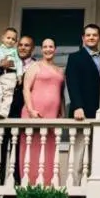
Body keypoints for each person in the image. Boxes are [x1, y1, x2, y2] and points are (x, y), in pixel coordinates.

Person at [0, 35, 34, 186]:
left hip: (20, 115)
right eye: (21, 45)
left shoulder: (35, 66)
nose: (23, 48)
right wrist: (1, 66)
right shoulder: (4, 58)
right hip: (0, 113)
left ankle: (15, 190)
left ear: (32, 48)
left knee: (18, 153)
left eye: (27, 45)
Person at [20, 38, 65, 186]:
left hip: (52, 116)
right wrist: (31, 110)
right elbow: (26, 88)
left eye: (51, 46)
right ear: (41, 49)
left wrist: (62, 113)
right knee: (32, 148)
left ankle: (48, 183)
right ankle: (30, 183)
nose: (48, 49)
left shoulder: (60, 70)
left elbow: (61, 93)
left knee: (49, 149)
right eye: (45, 47)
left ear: (55, 49)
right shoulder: (35, 66)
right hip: (35, 113)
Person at [64, 23, 100, 180]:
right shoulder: (75, 57)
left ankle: (90, 183)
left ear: (99, 37)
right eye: (88, 35)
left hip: (99, 112)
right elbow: (72, 83)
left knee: (96, 151)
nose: (91, 37)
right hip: (81, 111)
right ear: (83, 38)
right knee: (79, 150)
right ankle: (73, 186)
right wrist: (78, 106)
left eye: (94, 35)